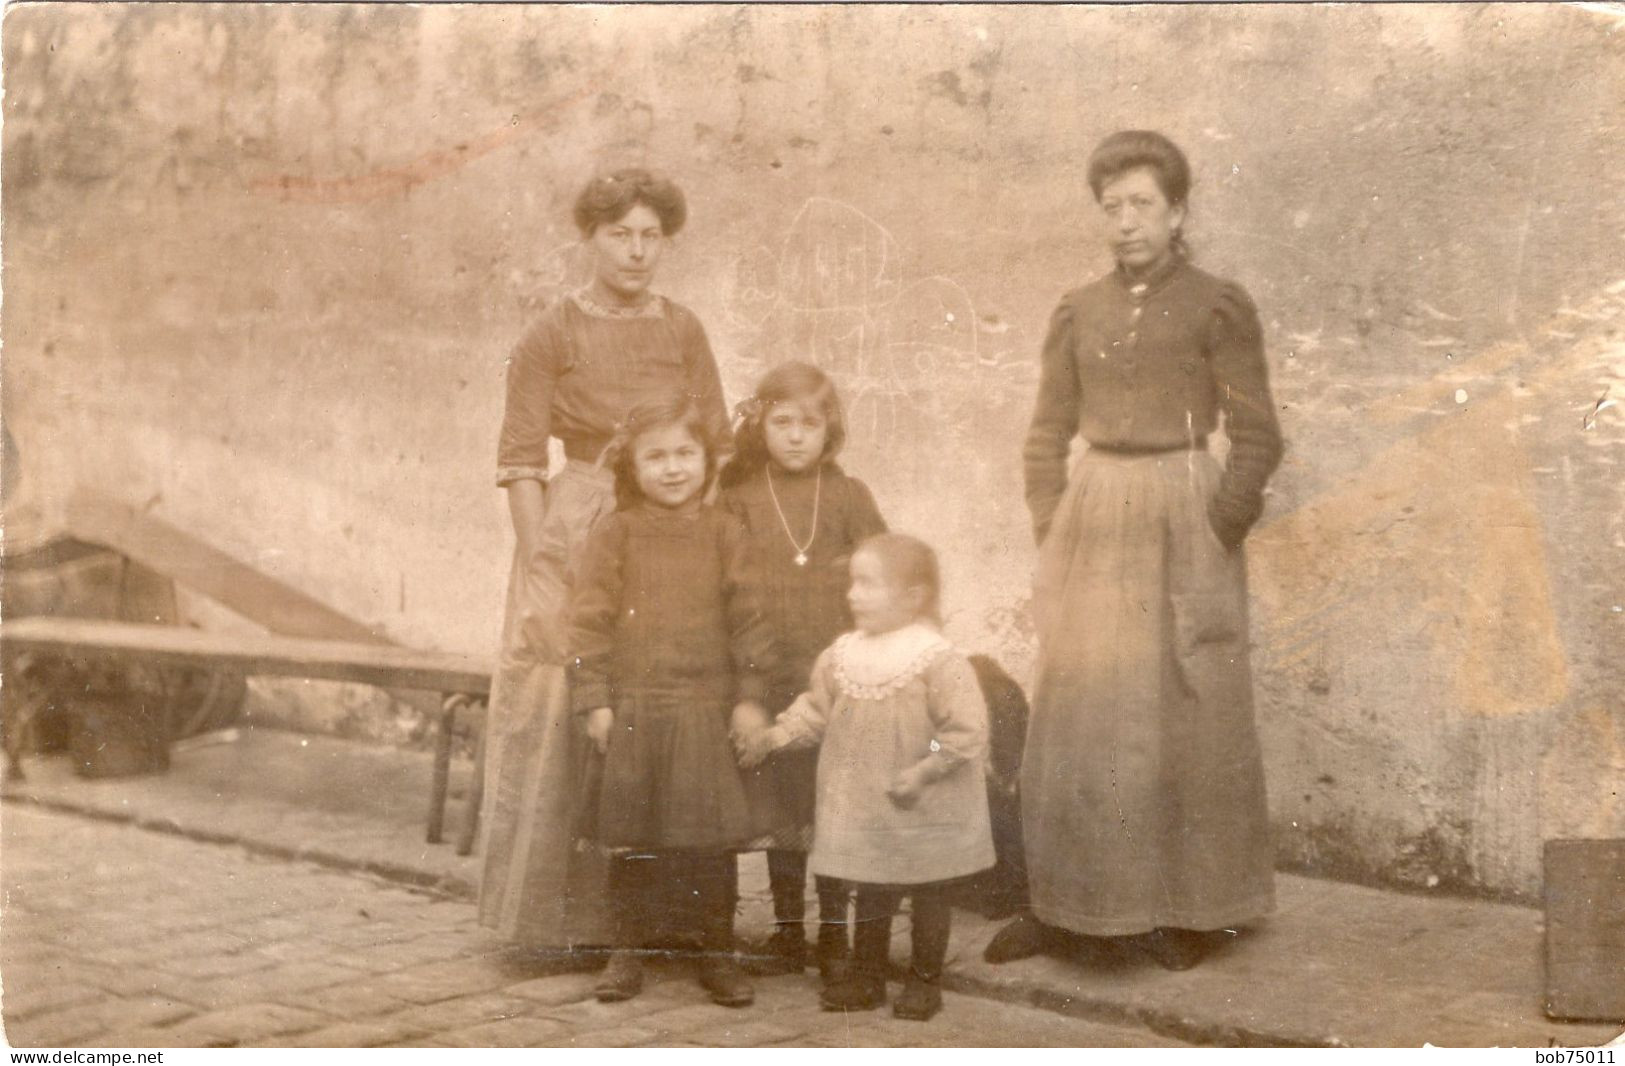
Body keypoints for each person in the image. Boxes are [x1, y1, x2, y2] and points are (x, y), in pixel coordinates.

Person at [987, 130, 1284, 972]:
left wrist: (1215, 519)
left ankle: (1184, 909)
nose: (1124, 223)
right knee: (1080, 713)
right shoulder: (1079, 309)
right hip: (1092, 512)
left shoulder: (1215, 304)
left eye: (1141, 205)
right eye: (1110, 207)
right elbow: (1045, 432)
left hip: (1181, 509)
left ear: (1177, 211)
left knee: (1180, 712)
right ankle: (1065, 904)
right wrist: (1054, 522)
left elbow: (1258, 434)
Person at [479, 169, 730, 951]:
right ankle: (560, 925)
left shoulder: (683, 330)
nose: (637, 251)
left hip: (664, 517)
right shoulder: (550, 334)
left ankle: (661, 925)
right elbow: (521, 461)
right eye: (620, 234)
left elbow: (715, 443)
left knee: (657, 702)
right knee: (562, 703)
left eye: (651, 235)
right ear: (590, 239)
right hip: (577, 518)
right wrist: (544, 570)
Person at [570, 395, 775, 1007]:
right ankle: (627, 950)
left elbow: (752, 623)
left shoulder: (724, 533)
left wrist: (750, 698)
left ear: (707, 461)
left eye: (685, 453)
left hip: (704, 710)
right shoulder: (615, 533)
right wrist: (594, 699)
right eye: (654, 456)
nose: (672, 467)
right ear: (631, 467)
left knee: (709, 842)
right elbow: (587, 623)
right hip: (635, 709)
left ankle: (717, 951)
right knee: (635, 839)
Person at [738, 533, 994, 1022]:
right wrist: (774, 737)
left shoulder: (937, 659)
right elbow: (816, 712)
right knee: (873, 894)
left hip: (924, 806)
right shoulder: (842, 656)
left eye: (868, 584)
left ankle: (924, 983)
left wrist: (926, 768)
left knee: (928, 897)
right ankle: (868, 977)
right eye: (851, 583)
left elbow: (964, 731)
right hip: (869, 804)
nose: (853, 594)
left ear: (914, 596)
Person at [718, 362, 888, 984]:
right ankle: (789, 934)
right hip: (767, 672)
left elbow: (883, 577)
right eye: (781, 421)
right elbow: (729, 594)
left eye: (808, 423)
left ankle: (833, 936)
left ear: (829, 428)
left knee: (835, 810)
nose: (794, 436)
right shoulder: (737, 498)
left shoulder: (849, 496)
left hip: (836, 679)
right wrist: (748, 688)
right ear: (761, 424)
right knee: (779, 810)